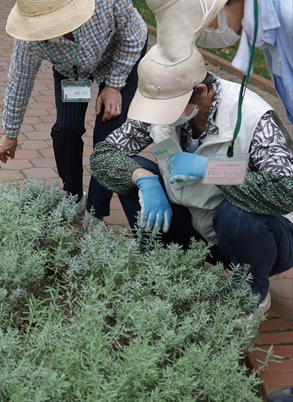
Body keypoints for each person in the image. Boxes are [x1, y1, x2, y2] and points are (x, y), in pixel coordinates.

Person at [89, 45, 293, 324]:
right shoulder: (161, 104)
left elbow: (284, 190)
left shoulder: (253, 115)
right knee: (136, 172)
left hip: (261, 238)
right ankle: (168, 268)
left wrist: (212, 170)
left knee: (237, 212)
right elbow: (104, 155)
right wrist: (144, 179)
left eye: (168, 107)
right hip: (197, 224)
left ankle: (251, 294)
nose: (159, 115)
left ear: (200, 91)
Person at [0, 0, 147, 219]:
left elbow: (135, 36)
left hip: (120, 58)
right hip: (72, 72)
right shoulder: (29, 37)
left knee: (108, 139)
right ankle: (72, 197)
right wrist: (10, 132)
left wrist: (114, 84)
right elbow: (19, 79)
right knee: (66, 129)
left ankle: (95, 213)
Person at [137, 0, 292, 124]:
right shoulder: (268, 23)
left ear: (214, 0)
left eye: (194, 20)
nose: (201, 33)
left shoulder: (288, 4)